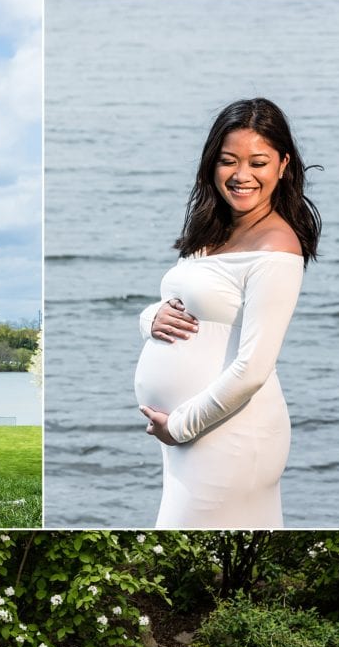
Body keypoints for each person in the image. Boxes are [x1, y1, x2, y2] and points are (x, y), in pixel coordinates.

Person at [134, 98, 322, 528]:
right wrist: (150, 319)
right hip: (196, 437)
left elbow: (254, 368)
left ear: (283, 165)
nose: (241, 176)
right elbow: (189, 307)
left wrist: (179, 425)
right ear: (211, 163)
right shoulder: (218, 228)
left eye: (258, 162)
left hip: (229, 436)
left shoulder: (276, 247)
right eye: (228, 161)